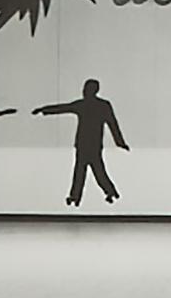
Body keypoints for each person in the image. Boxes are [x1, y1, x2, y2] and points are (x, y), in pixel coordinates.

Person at [32, 78, 129, 206]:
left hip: (84, 144)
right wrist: (120, 142)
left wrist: (43, 109)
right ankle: (109, 192)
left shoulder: (84, 105)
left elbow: (63, 108)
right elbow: (112, 124)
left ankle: (77, 197)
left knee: (82, 171)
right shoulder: (103, 105)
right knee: (96, 170)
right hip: (93, 144)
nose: (83, 91)